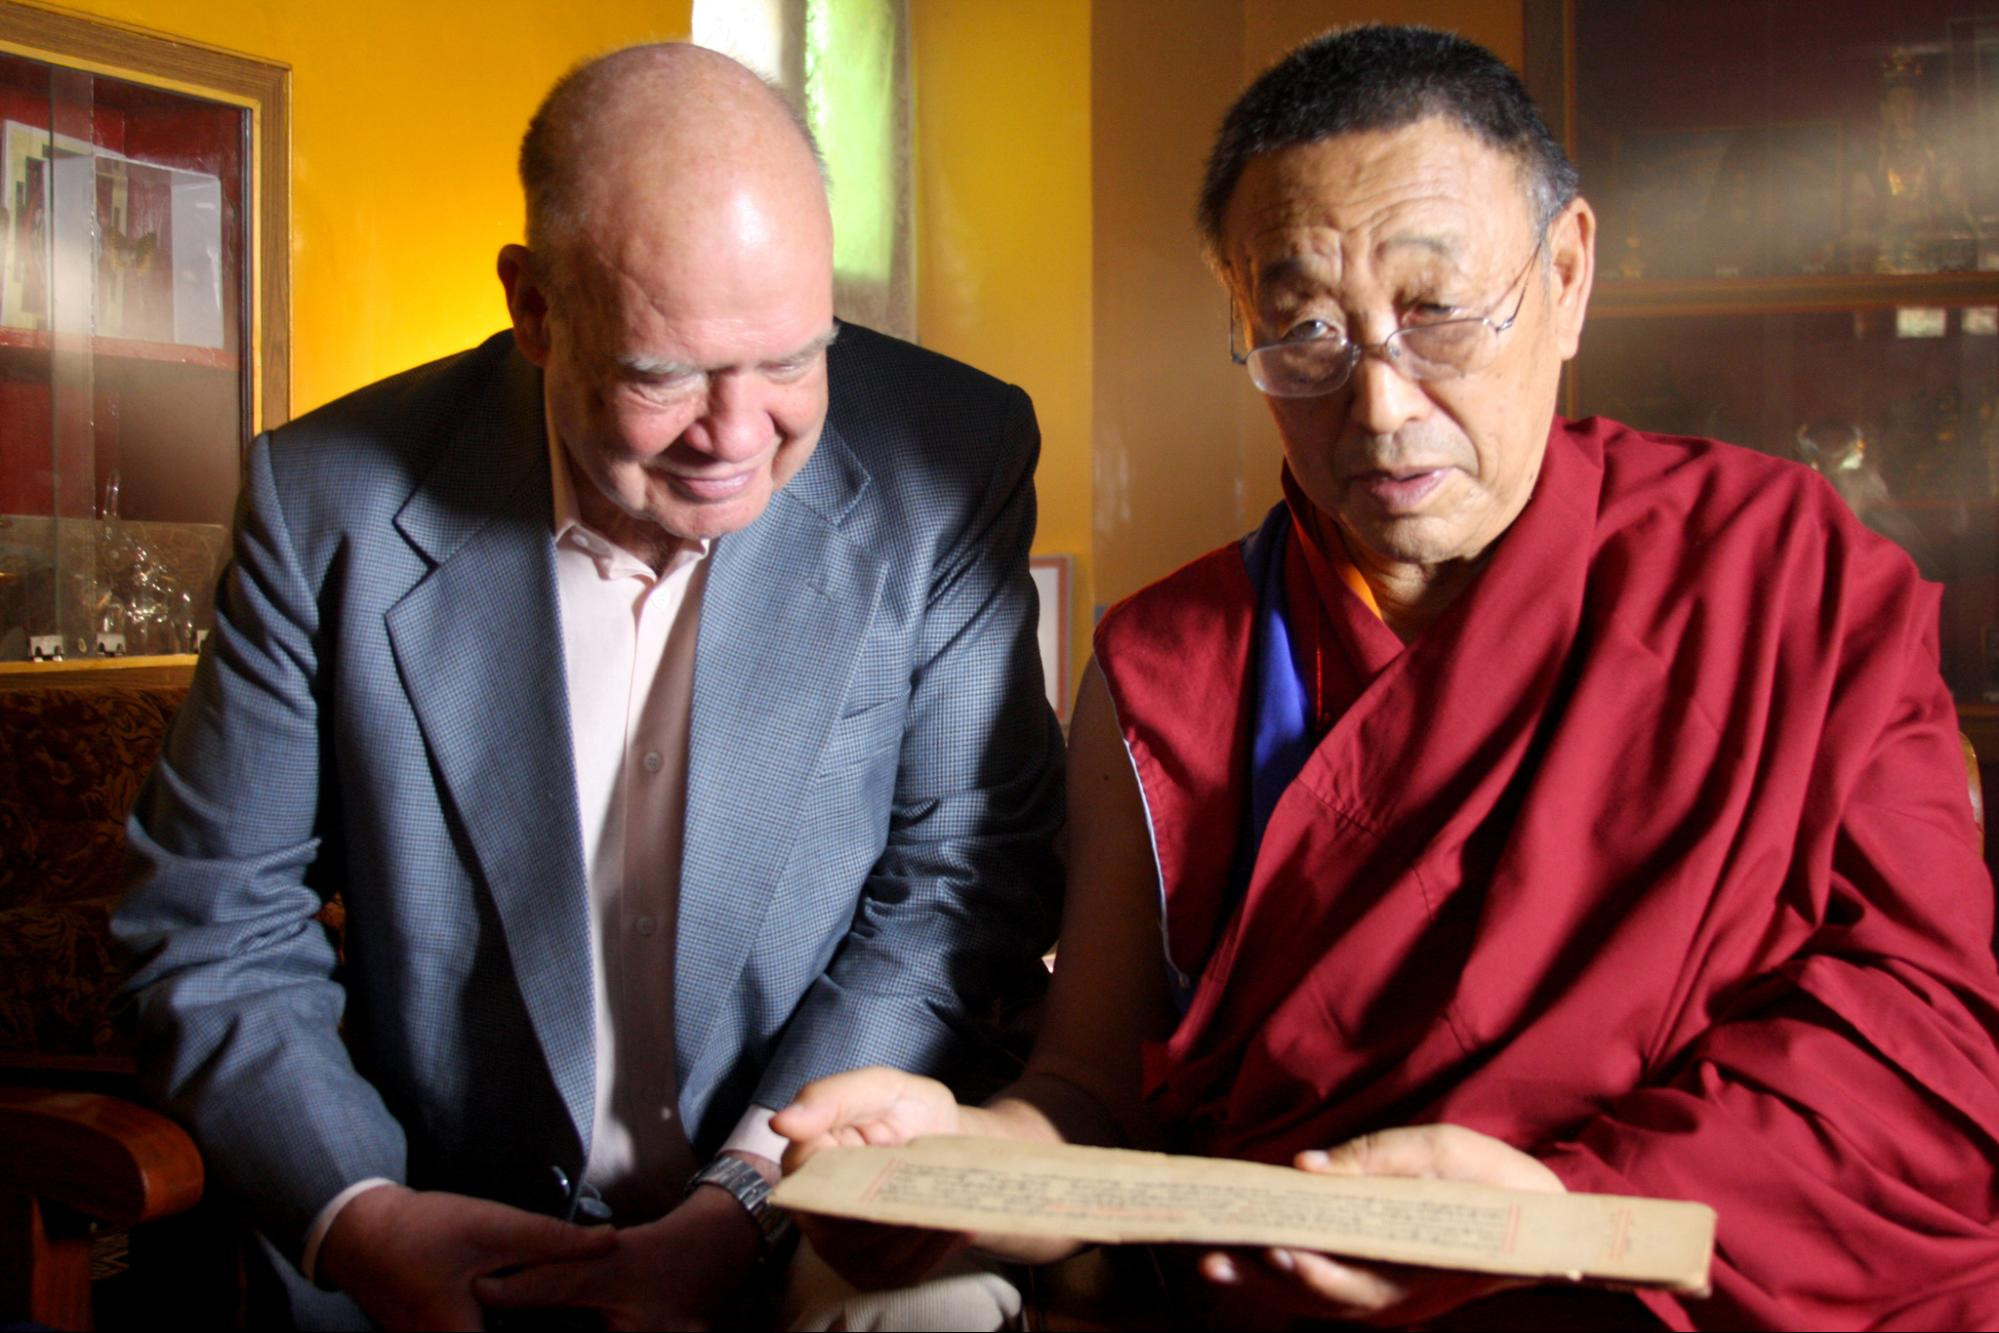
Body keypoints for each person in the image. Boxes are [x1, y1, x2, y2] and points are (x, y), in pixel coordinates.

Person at [776, 24, 1999, 1330]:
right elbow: (1084, 1100)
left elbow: (1929, 1048)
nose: (1377, 408)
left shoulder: (1781, 574)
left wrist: (1554, 1212)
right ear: (1235, 318)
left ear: (1567, 274)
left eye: (1431, 312)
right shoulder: (1167, 662)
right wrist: (944, 1157)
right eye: (1300, 329)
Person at [114, 44, 1061, 1331]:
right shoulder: (325, 497)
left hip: (814, 1209)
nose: (737, 437)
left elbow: (964, 883)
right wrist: (363, 1215)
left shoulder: (952, 457)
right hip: (442, 1242)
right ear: (535, 307)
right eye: (663, 375)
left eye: (792, 361)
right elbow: (213, 918)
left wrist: (745, 1200)